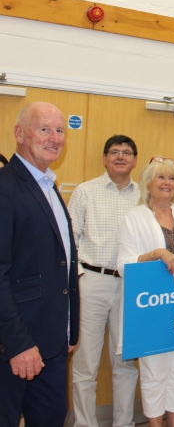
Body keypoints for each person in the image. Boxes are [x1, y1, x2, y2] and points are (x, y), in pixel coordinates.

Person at [116, 158, 174, 427]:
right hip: (151, 309)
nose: (167, 183)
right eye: (160, 177)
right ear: (147, 183)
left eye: (171, 178)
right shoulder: (133, 218)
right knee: (153, 371)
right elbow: (123, 265)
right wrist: (155, 254)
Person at [0, 102, 79, 426]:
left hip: (54, 342)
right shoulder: (5, 188)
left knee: (50, 418)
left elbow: (61, 263)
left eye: (60, 130)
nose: (55, 138)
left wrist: (70, 328)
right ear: (20, 133)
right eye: (44, 129)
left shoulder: (48, 185)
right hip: (17, 347)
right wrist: (18, 344)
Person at [69, 134, 140, 427]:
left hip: (131, 286)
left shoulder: (144, 196)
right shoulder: (85, 192)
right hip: (92, 282)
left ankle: (123, 423)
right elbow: (69, 239)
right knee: (86, 364)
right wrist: (79, 278)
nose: (120, 156)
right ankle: (85, 423)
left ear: (135, 160)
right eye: (114, 151)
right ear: (104, 158)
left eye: (126, 152)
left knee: (125, 361)